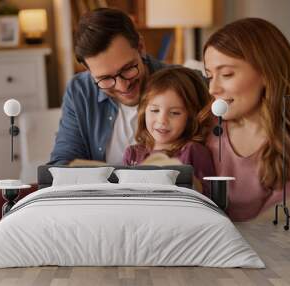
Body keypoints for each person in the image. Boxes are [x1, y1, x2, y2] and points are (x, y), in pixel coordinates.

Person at [203, 17, 290, 221]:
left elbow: (277, 229)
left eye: (227, 74)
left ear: (266, 72)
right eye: (209, 76)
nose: (212, 89)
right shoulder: (203, 129)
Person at [49, 8, 169, 165]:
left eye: (127, 69)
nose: (122, 86)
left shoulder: (185, 82)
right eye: (105, 78)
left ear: (140, 47)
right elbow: (63, 163)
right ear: (89, 71)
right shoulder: (80, 91)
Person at [123, 67, 215, 194]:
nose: (162, 121)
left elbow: (209, 195)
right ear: (144, 112)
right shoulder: (132, 154)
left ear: (190, 117)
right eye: (155, 110)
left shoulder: (193, 151)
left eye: (175, 113)